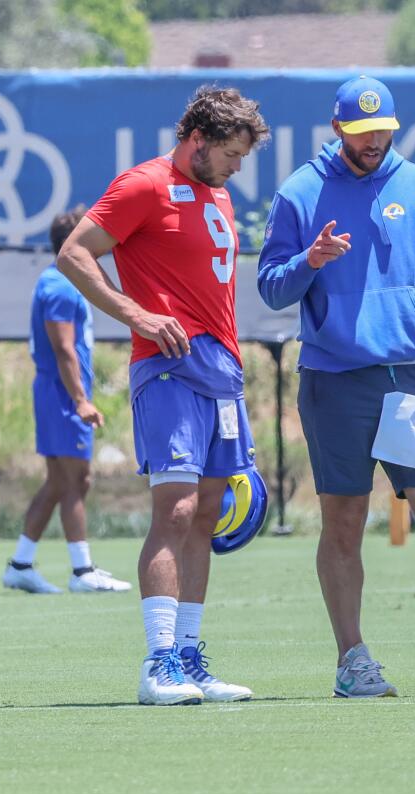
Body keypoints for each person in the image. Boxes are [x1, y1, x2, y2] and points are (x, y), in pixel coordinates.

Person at [258, 76, 415, 698]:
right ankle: (353, 661)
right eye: (362, 132)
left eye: (384, 132)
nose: (374, 142)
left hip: (412, 378)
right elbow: (271, 288)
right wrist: (309, 261)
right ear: (337, 127)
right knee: (344, 519)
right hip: (334, 381)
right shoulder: (300, 192)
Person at [56, 86, 270, 705]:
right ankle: (157, 665)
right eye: (230, 153)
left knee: (207, 512)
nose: (236, 167)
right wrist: (137, 314)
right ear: (196, 139)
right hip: (168, 368)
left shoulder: (219, 194)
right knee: (173, 512)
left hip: (220, 373)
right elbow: (75, 254)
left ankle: (189, 659)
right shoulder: (142, 184)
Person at [2, 207, 131, 595]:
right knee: (77, 478)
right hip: (61, 394)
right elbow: (63, 350)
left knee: (61, 480)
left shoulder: (59, 281)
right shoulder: (59, 285)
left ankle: (21, 564)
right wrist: (80, 400)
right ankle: (82, 571)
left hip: (58, 392)